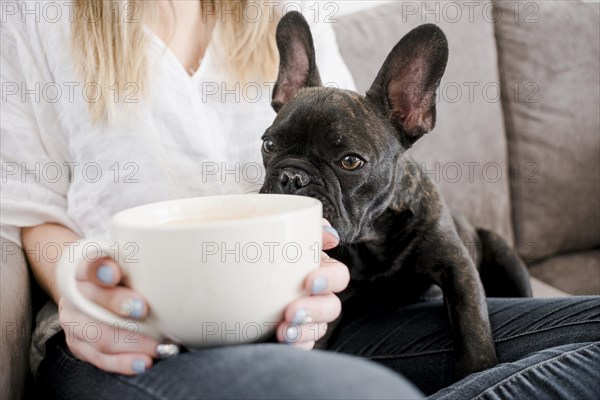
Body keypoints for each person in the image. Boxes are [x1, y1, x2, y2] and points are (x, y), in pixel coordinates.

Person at [2, 1, 598, 399]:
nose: (291, 179)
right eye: (278, 154)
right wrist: (78, 286)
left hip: (322, 324)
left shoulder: (285, 8)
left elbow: (358, 130)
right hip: (138, 340)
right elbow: (27, 209)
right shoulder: (35, 16)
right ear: (284, 89)